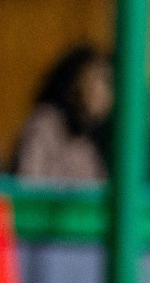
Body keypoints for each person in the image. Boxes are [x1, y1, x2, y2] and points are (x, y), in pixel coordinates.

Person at [13, 45, 113, 183]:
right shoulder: (44, 125)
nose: (104, 92)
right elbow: (29, 186)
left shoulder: (96, 140)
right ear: (74, 83)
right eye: (100, 80)